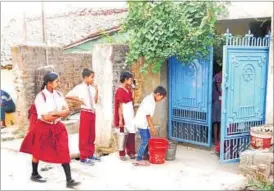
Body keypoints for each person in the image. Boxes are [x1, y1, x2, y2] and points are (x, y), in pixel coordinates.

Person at [20, 72, 80, 188]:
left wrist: (55, 113)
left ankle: (69, 180)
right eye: (57, 81)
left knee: (63, 150)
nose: (59, 83)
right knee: (38, 149)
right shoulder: (40, 97)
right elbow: (45, 117)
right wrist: (59, 113)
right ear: (49, 83)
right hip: (43, 126)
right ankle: (34, 173)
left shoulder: (59, 94)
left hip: (58, 126)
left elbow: (67, 111)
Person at [66, 68, 100, 166]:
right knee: (84, 135)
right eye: (91, 77)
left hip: (92, 112)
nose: (93, 79)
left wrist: (97, 89)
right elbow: (68, 95)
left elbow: (95, 101)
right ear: (85, 77)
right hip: (85, 112)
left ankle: (90, 153)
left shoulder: (92, 88)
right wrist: (79, 100)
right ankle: (83, 157)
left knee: (91, 134)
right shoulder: (79, 88)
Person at [133, 86, 167, 166]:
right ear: (158, 94)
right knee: (145, 140)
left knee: (147, 139)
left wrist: (150, 126)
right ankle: (138, 159)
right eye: (161, 98)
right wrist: (152, 127)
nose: (161, 100)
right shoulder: (149, 100)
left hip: (144, 123)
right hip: (141, 122)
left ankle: (145, 155)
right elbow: (148, 115)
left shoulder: (152, 99)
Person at [113, 71, 136, 161]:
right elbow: (120, 106)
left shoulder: (128, 89)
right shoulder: (120, 90)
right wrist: (120, 119)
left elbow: (132, 99)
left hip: (130, 114)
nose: (131, 81)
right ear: (126, 79)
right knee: (123, 134)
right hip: (124, 114)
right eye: (130, 79)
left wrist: (133, 88)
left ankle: (131, 152)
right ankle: (122, 154)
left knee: (132, 133)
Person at [212, 70, 222, 145]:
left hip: (218, 100)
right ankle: (216, 139)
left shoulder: (218, 76)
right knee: (216, 121)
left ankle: (218, 138)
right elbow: (220, 89)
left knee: (218, 121)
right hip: (216, 100)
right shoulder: (218, 76)